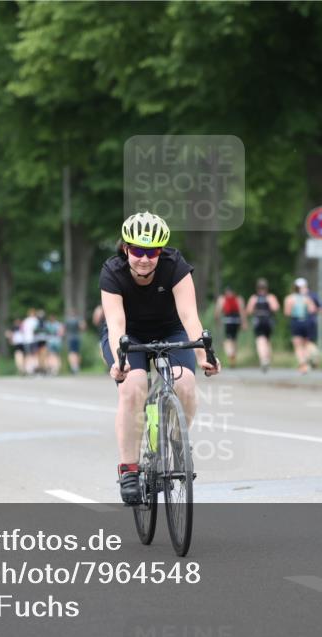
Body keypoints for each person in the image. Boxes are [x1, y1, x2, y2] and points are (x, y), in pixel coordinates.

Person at [100, 211, 220, 505]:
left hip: (171, 329)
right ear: (126, 248)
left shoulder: (174, 265)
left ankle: (177, 443)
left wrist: (204, 354)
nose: (144, 258)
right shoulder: (112, 272)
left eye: (151, 252)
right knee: (133, 387)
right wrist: (121, 361)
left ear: (160, 251)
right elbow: (116, 324)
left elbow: (190, 316)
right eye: (137, 251)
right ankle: (129, 469)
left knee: (185, 383)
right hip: (130, 335)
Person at [284, 277, 318, 374]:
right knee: (306, 344)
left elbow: (287, 312)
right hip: (306, 321)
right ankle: (312, 354)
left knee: (298, 346)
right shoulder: (306, 298)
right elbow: (312, 310)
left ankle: (303, 364)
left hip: (296, 322)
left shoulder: (289, 298)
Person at [245, 278, 280, 373]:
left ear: (257, 288)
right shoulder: (270, 297)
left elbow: (248, 310)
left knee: (260, 341)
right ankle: (267, 359)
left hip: (258, 321)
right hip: (268, 321)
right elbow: (276, 308)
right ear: (266, 288)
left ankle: (263, 360)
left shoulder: (254, 298)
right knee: (267, 341)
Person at [214, 286, 246, 368]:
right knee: (234, 339)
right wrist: (244, 323)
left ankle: (230, 354)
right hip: (236, 321)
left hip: (227, 321)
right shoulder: (238, 299)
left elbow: (217, 311)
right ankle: (233, 356)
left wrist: (217, 321)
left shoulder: (222, 299)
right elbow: (242, 311)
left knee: (228, 340)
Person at [64, 310, 85, 374]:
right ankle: (76, 367)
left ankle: (73, 366)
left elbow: (63, 330)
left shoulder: (67, 320)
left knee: (71, 353)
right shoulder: (78, 320)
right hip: (77, 338)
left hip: (70, 338)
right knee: (77, 353)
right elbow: (83, 328)